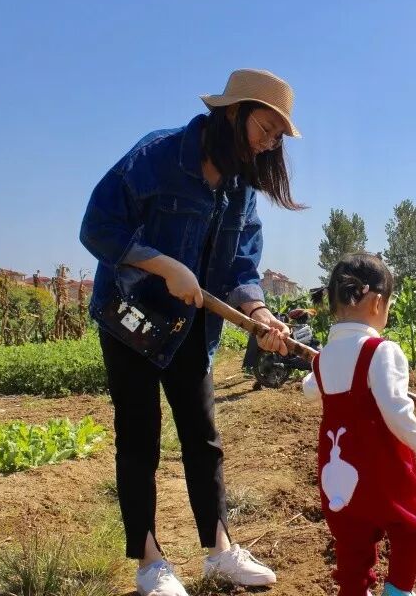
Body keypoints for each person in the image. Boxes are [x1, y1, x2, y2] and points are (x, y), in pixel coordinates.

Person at [80, 69, 304, 596]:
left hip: (192, 328)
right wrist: (163, 266)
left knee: (203, 438)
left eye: (277, 138)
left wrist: (260, 313)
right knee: (140, 437)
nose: (268, 144)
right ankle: (150, 563)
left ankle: (220, 552)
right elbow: (98, 227)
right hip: (132, 318)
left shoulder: (240, 185)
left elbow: (241, 264)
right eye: (266, 129)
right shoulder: (156, 156)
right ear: (234, 113)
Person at [302, 253, 416, 596]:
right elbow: (395, 408)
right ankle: (397, 591)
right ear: (377, 302)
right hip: (380, 469)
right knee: (413, 526)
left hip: (338, 474)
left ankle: (353, 591)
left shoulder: (322, 359)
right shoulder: (381, 351)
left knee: (352, 541)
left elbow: (309, 389)